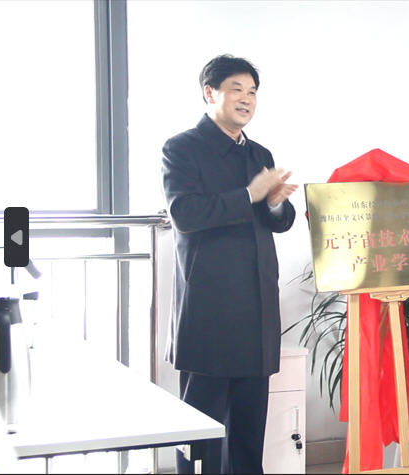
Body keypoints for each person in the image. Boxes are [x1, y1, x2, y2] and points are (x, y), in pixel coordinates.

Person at [161, 54, 297, 474]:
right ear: (210, 92)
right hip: (210, 313)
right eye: (236, 89)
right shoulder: (182, 148)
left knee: (248, 436)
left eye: (252, 91)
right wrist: (249, 195)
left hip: (256, 314)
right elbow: (185, 214)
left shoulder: (258, 153)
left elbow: (281, 221)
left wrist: (274, 203)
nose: (246, 99)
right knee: (200, 436)